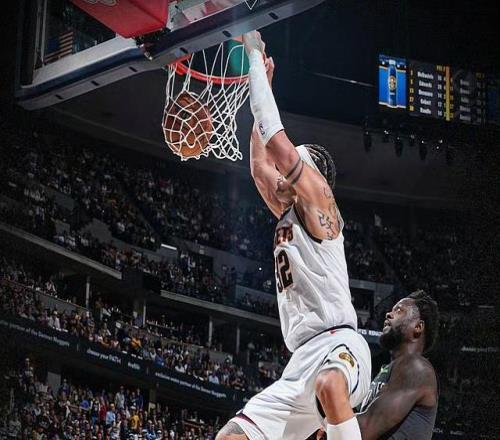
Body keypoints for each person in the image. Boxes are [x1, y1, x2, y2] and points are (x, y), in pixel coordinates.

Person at [216, 31, 371, 440]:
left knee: (330, 385)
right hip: (299, 361)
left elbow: (274, 142)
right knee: (231, 437)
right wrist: (264, 88)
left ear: (311, 174)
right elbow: (258, 165)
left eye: (291, 166)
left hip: (340, 345)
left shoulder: (320, 202)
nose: (281, 174)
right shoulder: (288, 211)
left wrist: (254, 57)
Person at [316, 290, 439, 440]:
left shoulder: (417, 368)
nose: (388, 314)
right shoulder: (390, 370)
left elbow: (366, 427)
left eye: (399, 310)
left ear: (418, 327)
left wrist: (329, 425)